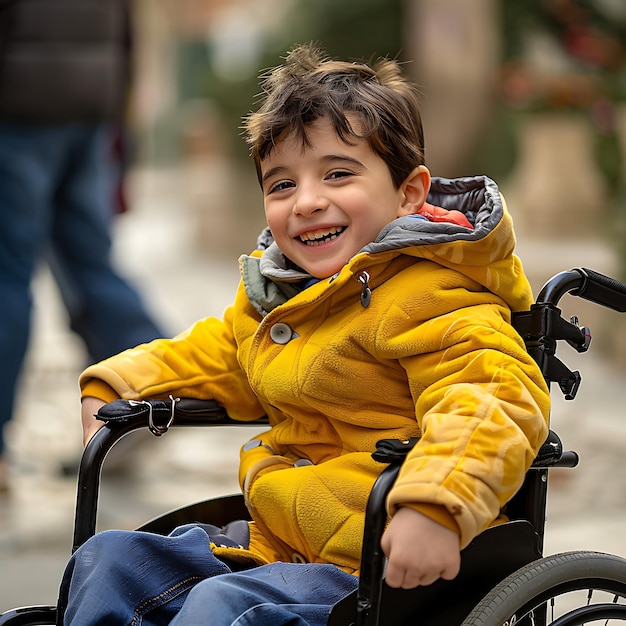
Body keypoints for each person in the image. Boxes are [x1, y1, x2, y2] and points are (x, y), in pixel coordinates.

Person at [57, 44, 550, 625]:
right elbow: (217, 354)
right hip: (274, 544)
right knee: (109, 560)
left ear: (409, 193)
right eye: (281, 184)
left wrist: (436, 505)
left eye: (338, 174)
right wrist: (119, 383)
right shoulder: (282, 297)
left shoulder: (433, 293)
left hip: (375, 564)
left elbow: (492, 397)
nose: (308, 202)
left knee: (220, 606)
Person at [0, 0, 164, 491]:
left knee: (6, 272)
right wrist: (119, 106)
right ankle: (151, 384)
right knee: (89, 260)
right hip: (91, 101)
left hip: (16, 103)